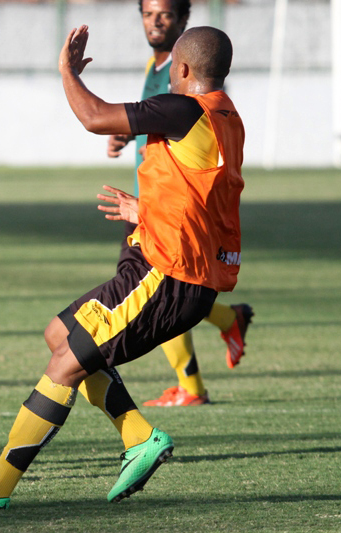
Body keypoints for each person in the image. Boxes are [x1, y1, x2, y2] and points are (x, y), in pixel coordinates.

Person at [0, 25, 245, 509]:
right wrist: (146, 211)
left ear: (182, 70)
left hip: (165, 276)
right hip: (164, 264)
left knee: (64, 365)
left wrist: (65, 71)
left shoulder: (187, 109)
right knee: (59, 336)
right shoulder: (227, 117)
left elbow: (94, 116)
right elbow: (206, 199)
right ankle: (138, 437)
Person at [105, 0, 253, 407]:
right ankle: (224, 325)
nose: (155, 21)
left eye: (165, 14)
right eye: (148, 13)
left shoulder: (191, 69)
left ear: (184, 20)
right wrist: (126, 136)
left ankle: (191, 385)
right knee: (169, 284)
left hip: (173, 206)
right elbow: (152, 122)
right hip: (152, 200)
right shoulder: (156, 69)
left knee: (163, 285)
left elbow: (180, 124)